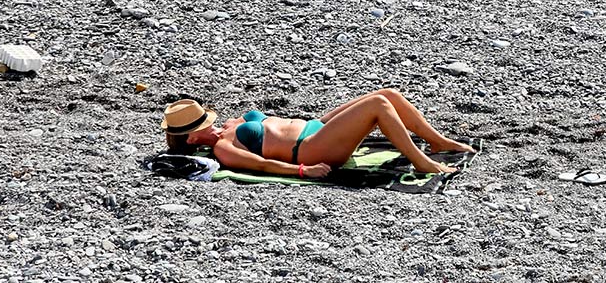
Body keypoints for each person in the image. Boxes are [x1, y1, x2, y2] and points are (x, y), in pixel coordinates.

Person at [160, 89, 474, 178]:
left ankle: (437, 141)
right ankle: (421, 161)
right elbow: (263, 167)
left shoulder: (229, 125)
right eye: (203, 125)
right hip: (310, 149)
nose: (210, 123)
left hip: (314, 126)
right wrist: (302, 170)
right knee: (378, 105)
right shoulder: (224, 150)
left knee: (387, 94)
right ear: (191, 139)